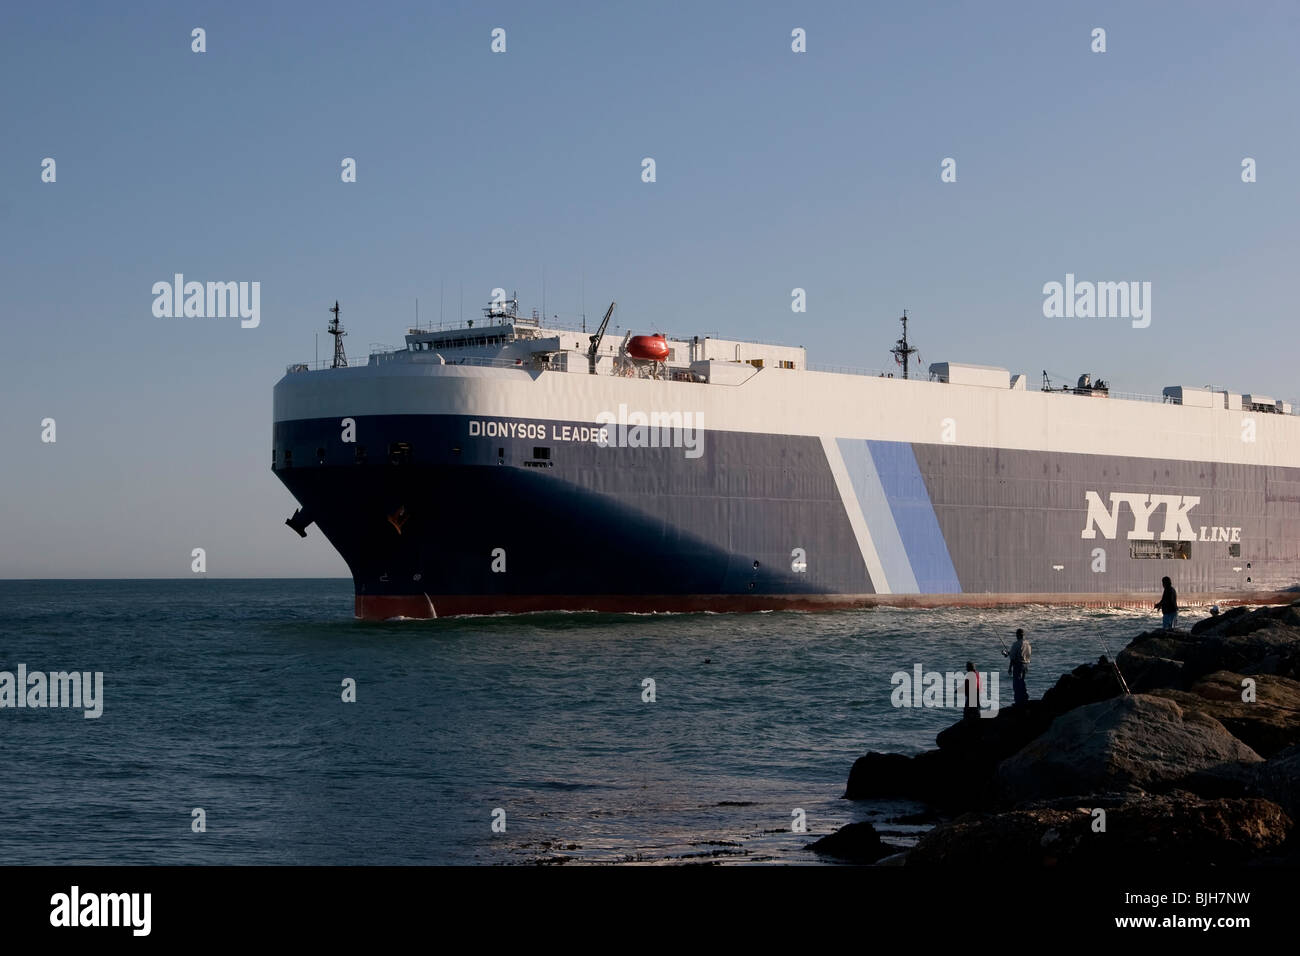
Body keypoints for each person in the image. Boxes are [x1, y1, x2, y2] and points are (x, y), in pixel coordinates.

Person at [1003, 628, 1031, 705]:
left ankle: (1018, 701)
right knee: (1022, 682)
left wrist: (1009, 668)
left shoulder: (1016, 644)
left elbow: (1012, 658)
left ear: (1018, 635)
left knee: (1016, 684)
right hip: (1026, 665)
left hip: (1018, 665)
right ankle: (1025, 698)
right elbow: (1026, 655)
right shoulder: (1028, 644)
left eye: (1016, 634)